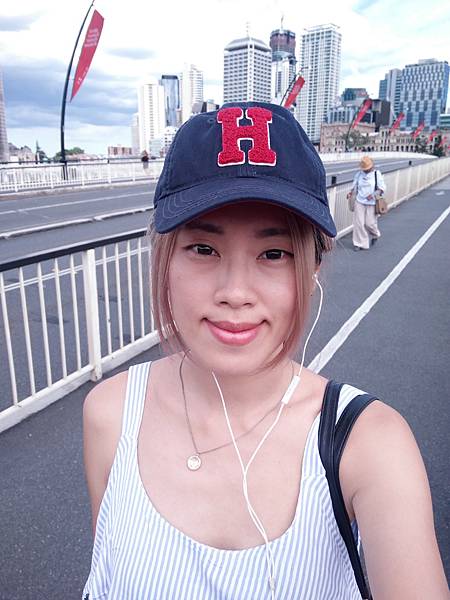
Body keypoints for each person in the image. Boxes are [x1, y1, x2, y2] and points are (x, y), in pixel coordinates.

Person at [82, 103, 447, 600]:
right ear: (164, 260)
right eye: (204, 249)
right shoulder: (111, 415)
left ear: (312, 270)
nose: (235, 292)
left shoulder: (370, 446)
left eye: (274, 254)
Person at [347, 156, 385, 251]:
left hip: (372, 202)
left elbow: (381, 189)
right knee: (359, 223)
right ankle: (359, 243)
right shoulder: (359, 174)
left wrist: (372, 195)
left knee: (370, 223)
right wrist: (350, 193)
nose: (366, 170)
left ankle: (375, 234)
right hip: (359, 200)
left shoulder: (377, 174)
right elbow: (354, 186)